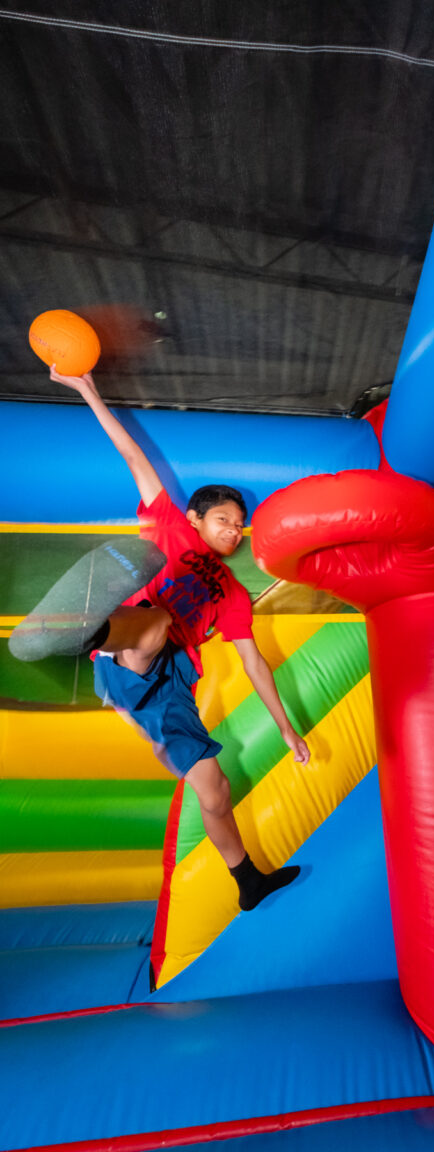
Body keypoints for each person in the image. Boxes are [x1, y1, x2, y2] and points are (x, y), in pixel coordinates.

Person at [48, 364, 310, 912]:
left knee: (215, 790)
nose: (233, 530)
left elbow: (254, 663)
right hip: (130, 645)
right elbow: (133, 456)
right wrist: (87, 390)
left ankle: (248, 883)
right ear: (195, 518)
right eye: (224, 519)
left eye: (239, 525)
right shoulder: (170, 526)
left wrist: (286, 727)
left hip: (168, 687)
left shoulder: (233, 594)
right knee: (157, 623)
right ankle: (92, 631)